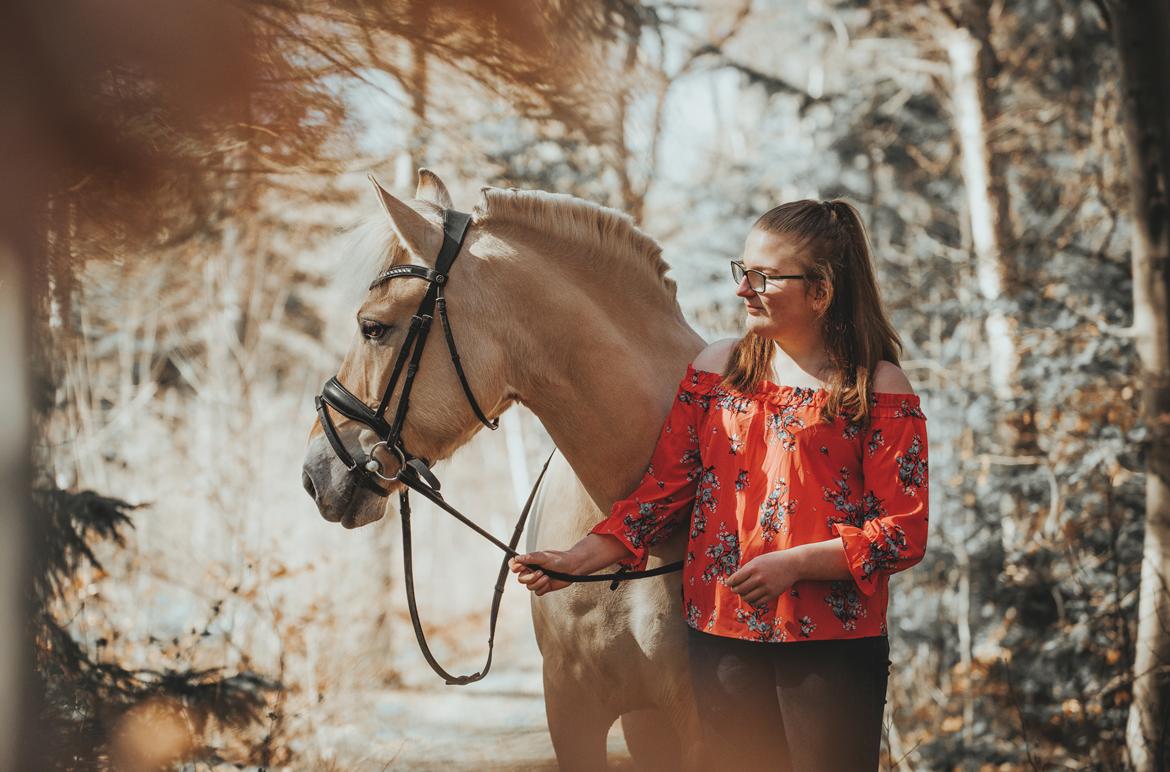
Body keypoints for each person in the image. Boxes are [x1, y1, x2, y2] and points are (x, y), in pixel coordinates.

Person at [509, 199, 929, 771]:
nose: (743, 290)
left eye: (764, 277)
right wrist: (579, 558)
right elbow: (664, 492)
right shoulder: (716, 370)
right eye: (742, 272)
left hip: (832, 649)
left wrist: (795, 564)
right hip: (720, 637)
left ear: (821, 290)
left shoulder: (877, 387)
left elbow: (902, 532)